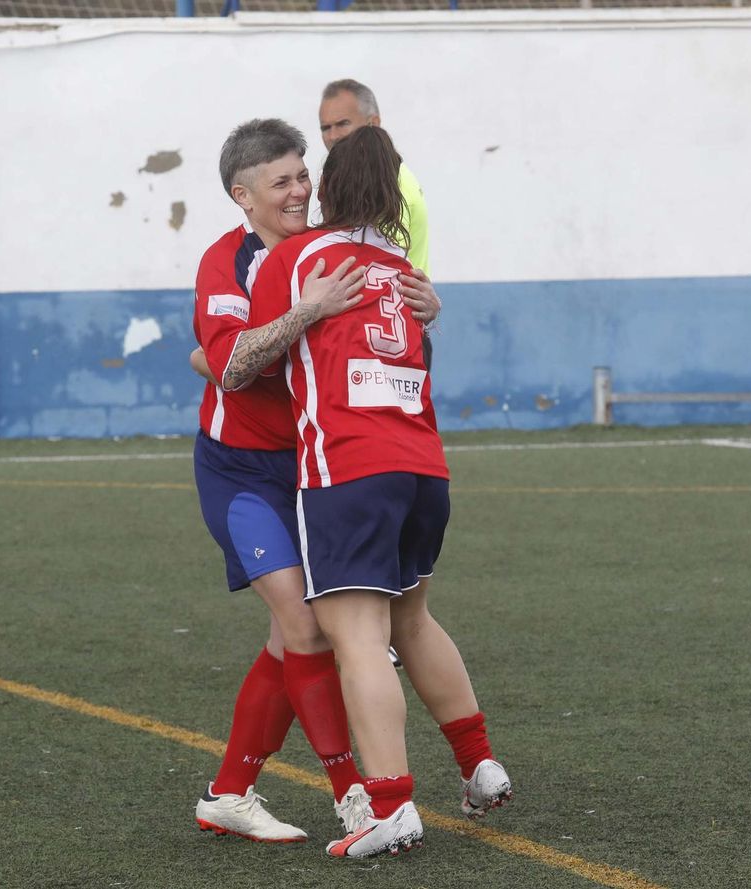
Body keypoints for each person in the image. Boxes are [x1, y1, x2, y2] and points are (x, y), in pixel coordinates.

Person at [245, 125, 511, 860]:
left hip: (349, 468)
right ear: (395, 194)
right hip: (424, 467)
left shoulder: (297, 257)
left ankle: (389, 805)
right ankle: (480, 762)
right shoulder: (403, 268)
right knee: (413, 621)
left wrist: (302, 313)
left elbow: (245, 362)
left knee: (356, 638)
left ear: (326, 188)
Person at [188, 118, 372, 844]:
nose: (300, 191)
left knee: (284, 640)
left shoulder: (323, 249)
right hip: (238, 472)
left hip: (313, 470)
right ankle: (350, 792)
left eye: (303, 175)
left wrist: (428, 304)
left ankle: (228, 792)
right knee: (306, 626)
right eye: (282, 181)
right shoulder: (225, 263)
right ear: (243, 195)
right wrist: (308, 311)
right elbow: (232, 363)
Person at [318, 78, 437, 370]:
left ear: (374, 123)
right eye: (325, 127)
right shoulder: (364, 179)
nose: (332, 136)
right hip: (382, 328)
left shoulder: (389, 186)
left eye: (342, 124)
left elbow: (370, 262)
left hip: (391, 333)